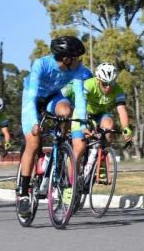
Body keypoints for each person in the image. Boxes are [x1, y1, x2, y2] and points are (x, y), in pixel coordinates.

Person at [17, 36, 91, 217]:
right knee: (33, 143)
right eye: (77, 57)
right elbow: (32, 96)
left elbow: (80, 101)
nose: (80, 61)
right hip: (32, 99)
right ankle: (23, 194)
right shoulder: (41, 65)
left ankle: (60, 145)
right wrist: (34, 123)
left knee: (66, 111)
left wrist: (81, 125)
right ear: (66, 59)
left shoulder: (77, 70)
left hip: (52, 97)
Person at [64, 62, 133, 178]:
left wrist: (126, 128)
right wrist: (83, 126)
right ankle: (69, 185)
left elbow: (121, 110)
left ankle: (101, 160)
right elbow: (81, 106)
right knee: (79, 148)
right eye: (105, 84)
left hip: (99, 114)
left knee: (109, 126)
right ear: (98, 80)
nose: (108, 87)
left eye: (111, 83)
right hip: (82, 113)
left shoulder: (118, 90)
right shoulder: (88, 85)